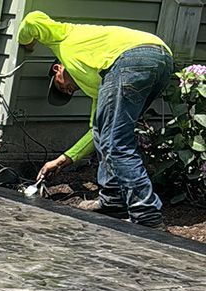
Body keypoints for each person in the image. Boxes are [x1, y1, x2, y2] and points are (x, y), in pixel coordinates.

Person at [18, 10, 174, 227]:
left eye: (62, 86)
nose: (69, 90)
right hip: (160, 60)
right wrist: (62, 160)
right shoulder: (97, 84)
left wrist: (27, 44)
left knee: (117, 143)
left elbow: (32, 20)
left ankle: (147, 214)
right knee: (105, 135)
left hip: (131, 58)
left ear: (57, 69)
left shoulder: (62, 39)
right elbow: (95, 133)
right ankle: (112, 202)